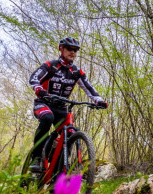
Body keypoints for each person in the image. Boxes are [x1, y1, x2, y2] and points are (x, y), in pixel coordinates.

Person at [28, 37, 107, 172]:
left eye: (75, 50)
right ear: (61, 49)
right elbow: (34, 79)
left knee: (70, 134)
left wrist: (98, 100)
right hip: (43, 103)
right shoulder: (50, 66)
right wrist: (40, 90)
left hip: (61, 107)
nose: (73, 52)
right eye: (69, 49)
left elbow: (89, 88)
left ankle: (56, 173)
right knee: (47, 118)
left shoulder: (76, 72)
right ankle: (36, 157)